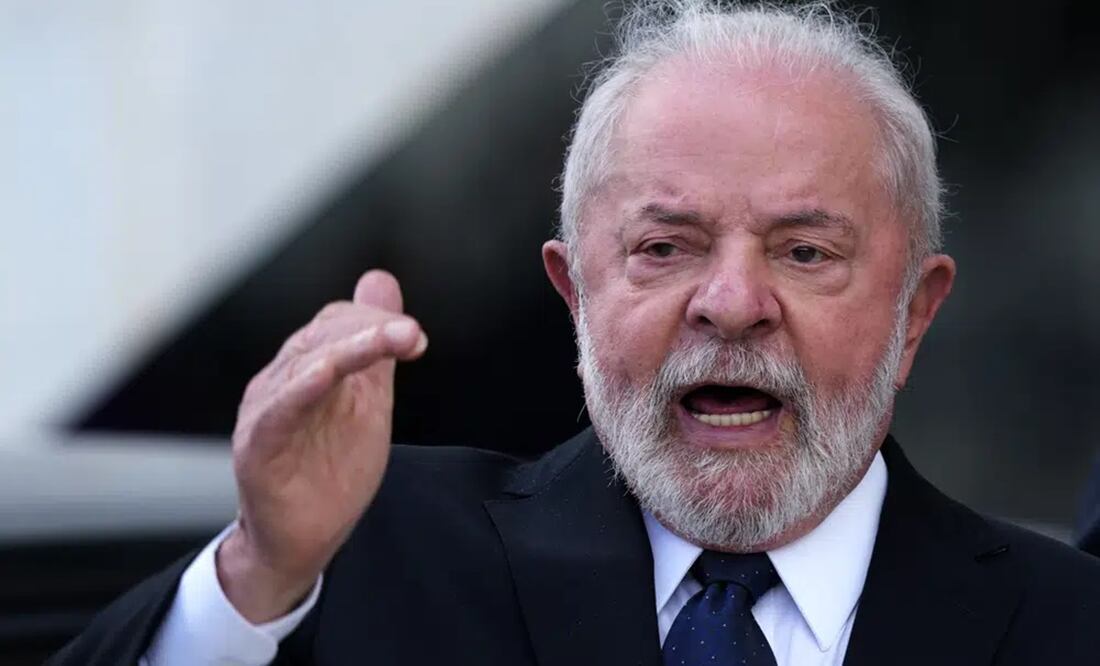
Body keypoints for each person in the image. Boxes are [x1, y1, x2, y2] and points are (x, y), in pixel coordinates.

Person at [51, 1, 1100, 664]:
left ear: (914, 313)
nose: (730, 303)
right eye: (664, 247)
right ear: (573, 292)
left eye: (803, 253)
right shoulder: (374, 551)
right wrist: (258, 573)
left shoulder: (1066, 622)